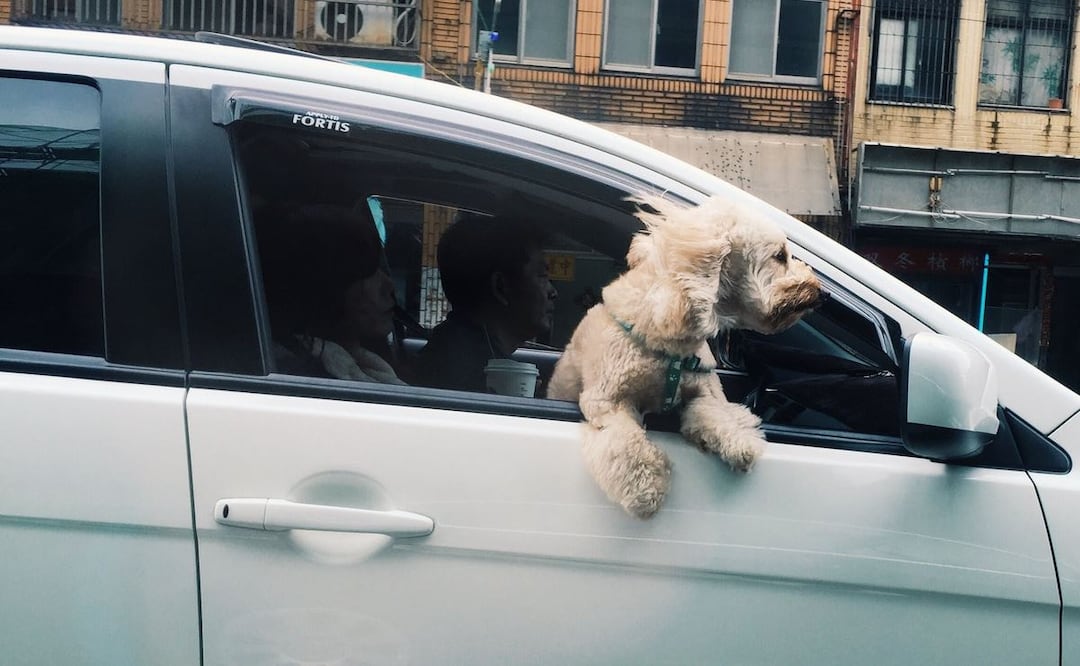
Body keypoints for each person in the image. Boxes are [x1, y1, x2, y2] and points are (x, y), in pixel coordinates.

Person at [257, 201, 406, 385]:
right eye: (368, 272)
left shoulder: (354, 364)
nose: (388, 285)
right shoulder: (306, 377)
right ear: (328, 287)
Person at [414, 212, 557, 392]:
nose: (553, 292)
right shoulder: (472, 375)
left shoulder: (453, 349)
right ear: (501, 287)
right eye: (542, 276)